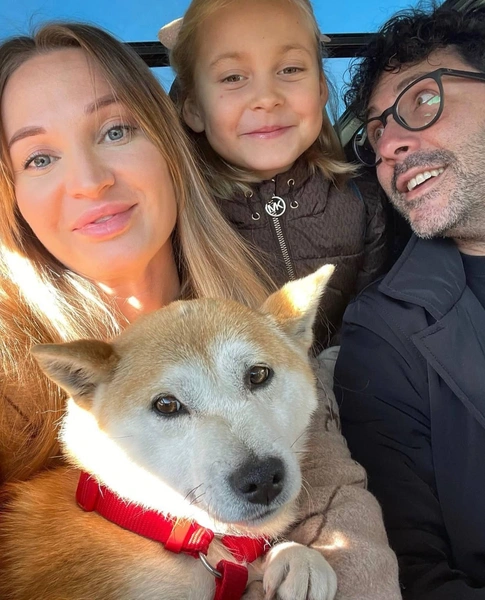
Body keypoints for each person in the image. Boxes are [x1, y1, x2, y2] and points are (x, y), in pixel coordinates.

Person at [0, 22, 401, 600]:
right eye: (39, 158)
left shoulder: (257, 298)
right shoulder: (12, 372)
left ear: (170, 146)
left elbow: (336, 507)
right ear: (11, 194)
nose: (90, 181)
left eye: (115, 130)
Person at [334, 5, 485, 599]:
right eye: (375, 133)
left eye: (423, 100)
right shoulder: (383, 333)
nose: (391, 145)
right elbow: (415, 576)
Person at [159, 0, 388, 350]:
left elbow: (375, 324)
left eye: (290, 69)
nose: (266, 98)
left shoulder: (365, 203)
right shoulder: (179, 223)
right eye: (233, 77)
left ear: (321, 89)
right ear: (194, 108)